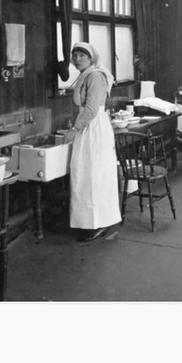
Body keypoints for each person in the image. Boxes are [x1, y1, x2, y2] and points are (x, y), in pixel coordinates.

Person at [62, 41, 122, 242]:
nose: (77, 59)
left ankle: (98, 223)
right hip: (90, 127)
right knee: (87, 176)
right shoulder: (86, 75)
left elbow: (91, 110)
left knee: (93, 176)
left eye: (82, 56)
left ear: (91, 58)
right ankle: (91, 222)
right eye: (75, 55)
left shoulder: (95, 76)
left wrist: (74, 129)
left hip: (94, 128)